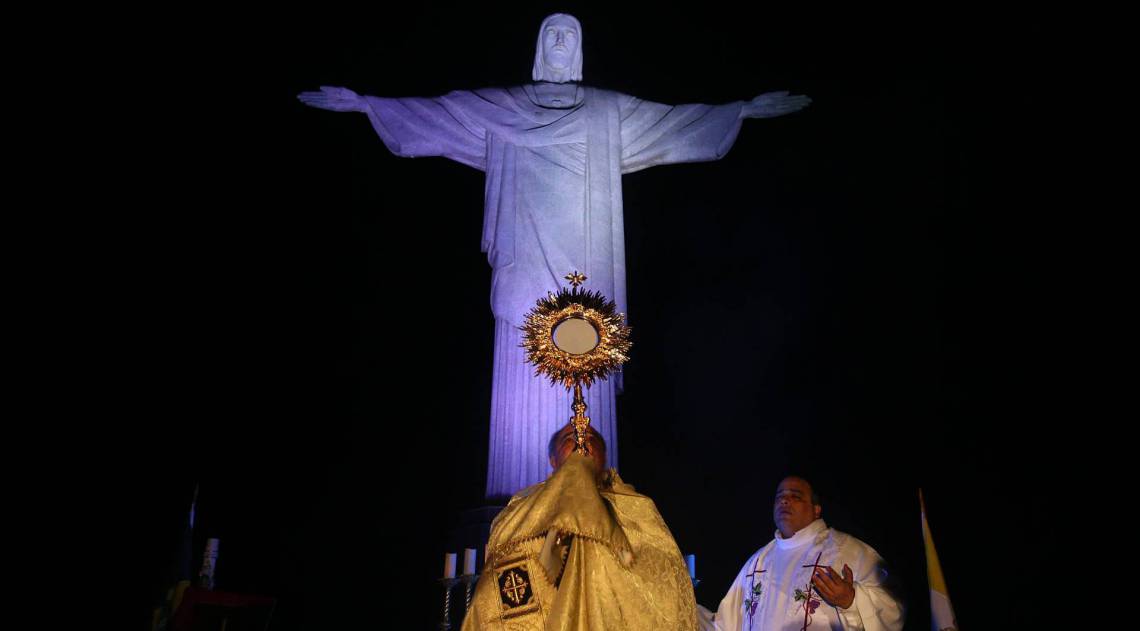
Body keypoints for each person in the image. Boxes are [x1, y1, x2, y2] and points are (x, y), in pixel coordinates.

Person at [298, 14, 811, 498]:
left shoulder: (606, 110)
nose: (562, 42)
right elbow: (441, 113)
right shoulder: (506, 107)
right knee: (524, 362)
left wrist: (738, 111)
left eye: (570, 34)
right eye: (553, 34)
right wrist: (370, 104)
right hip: (524, 269)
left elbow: (670, 124)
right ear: (541, 49)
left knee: (590, 357)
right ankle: (518, 497)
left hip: (588, 275)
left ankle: (591, 494)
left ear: (581, 50)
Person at [461, 423, 698, 630]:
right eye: (569, 439)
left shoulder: (637, 510)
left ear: (604, 459)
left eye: (590, 438)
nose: (581, 439)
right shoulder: (519, 513)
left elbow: (662, 585)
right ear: (553, 460)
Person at [710, 476, 904, 631]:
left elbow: (894, 613)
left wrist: (851, 599)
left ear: (816, 509)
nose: (784, 500)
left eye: (795, 496)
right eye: (779, 497)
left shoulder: (849, 551)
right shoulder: (757, 563)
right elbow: (722, 624)